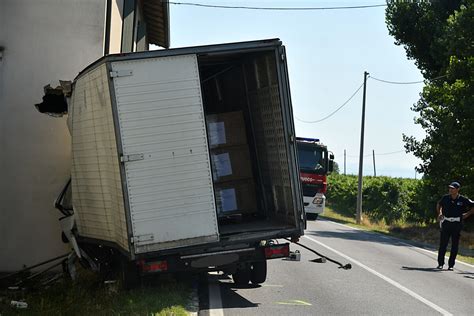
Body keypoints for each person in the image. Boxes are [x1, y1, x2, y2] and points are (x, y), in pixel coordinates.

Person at [436, 181, 474, 270]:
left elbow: (472, 205)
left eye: (452, 188)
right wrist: (440, 213)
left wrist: (468, 214)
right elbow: (439, 204)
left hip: (457, 224)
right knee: (443, 245)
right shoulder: (445, 198)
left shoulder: (463, 199)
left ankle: (451, 265)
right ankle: (440, 263)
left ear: (457, 189)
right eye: (450, 188)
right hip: (446, 223)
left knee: (454, 246)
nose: (450, 189)